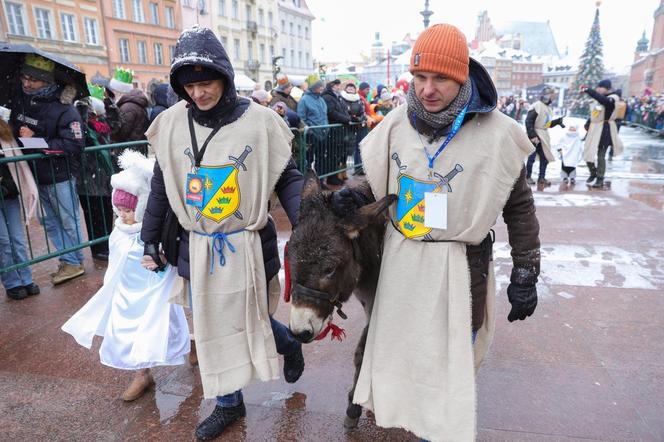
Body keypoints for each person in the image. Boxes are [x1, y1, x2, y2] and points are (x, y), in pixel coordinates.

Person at [330, 24, 540, 441]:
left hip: (461, 270)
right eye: (420, 77)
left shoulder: (497, 132)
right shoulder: (395, 125)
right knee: (409, 360)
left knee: (447, 371)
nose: (427, 89)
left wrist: (526, 270)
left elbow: (519, 207)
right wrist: (353, 197)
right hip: (404, 264)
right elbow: (377, 180)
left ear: (461, 77)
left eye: (440, 78)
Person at [140, 27, 306, 440]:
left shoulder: (260, 122)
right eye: (190, 85)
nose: (199, 93)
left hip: (245, 241)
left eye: (206, 82)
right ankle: (229, 403)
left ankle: (286, 343)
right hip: (196, 244)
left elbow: (287, 177)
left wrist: (307, 225)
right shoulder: (171, 124)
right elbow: (162, 184)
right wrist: (149, 237)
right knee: (212, 324)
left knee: (252, 318)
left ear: (225, 78)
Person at [62, 150, 190, 402]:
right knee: (131, 334)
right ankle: (142, 373)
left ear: (142, 206)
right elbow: (115, 260)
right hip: (127, 293)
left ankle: (189, 346)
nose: (122, 214)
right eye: (118, 209)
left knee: (162, 327)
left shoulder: (154, 230)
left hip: (154, 290)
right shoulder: (119, 230)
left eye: (128, 210)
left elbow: (166, 257)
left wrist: (161, 260)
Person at [11, 53, 87, 285]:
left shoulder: (66, 110)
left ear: (47, 81)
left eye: (33, 79)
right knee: (51, 222)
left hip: (59, 175)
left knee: (67, 219)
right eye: (25, 77)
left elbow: (74, 144)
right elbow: (19, 135)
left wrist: (34, 140)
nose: (27, 83)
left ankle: (75, 261)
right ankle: (67, 259)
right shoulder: (21, 102)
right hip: (36, 174)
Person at [0, 118, 39, 300]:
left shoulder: (6, 132)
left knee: (17, 239)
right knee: (3, 242)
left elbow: (17, 162)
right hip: (6, 191)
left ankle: (26, 278)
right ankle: (12, 282)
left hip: (8, 192)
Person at [75, 91, 115, 261]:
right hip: (88, 179)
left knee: (106, 213)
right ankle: (98, 248)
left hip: (104, 177)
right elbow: (83, 135)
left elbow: (117, 123)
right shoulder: (83, 125)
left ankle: (107, 243)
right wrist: (82, 111)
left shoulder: (101, 124)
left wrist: (110, 103)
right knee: (93, 215)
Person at [582, 79, 624, 188]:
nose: (599, 89)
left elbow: (604, 102)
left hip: (605, 129)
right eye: (598, 87)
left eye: (602, 87)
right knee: (587, 152)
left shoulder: (613, 98)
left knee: (601, 155)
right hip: (594, 128)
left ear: (607, 88)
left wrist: (589, 91)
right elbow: (595, 113)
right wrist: (588, 123)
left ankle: (600, 178)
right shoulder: (598, 99)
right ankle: (593, 173)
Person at [525, 87, 564, 185]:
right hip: (535, 134)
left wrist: (557, 122)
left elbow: (546, 124)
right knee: (531, 158)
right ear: (546, 96)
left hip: (543, 135)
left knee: (544, 157)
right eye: (551, 96)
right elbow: (529, 121)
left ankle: (541, 178)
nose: (553, 98)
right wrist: (532, 135)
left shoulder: (548, 108)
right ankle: (527, 177)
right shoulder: (537, 106)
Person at [322, 79, 351, 186]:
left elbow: (342, 110)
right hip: (332, 130)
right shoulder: (328, 97)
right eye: (337, 85)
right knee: (332, 155)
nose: (339, 87)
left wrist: (348, 117)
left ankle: (335, 176)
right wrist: (345, 119)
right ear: (332, 86)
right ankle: (331, 177)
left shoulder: (337, 97)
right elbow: (332, 112)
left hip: (339, 131)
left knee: (337, 155)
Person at [297, 80, 329, 179]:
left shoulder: (321, 100)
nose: (322, 88)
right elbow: (301, 117)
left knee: (321, 158)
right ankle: (307, 181)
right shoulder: (304, 100)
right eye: (321, 87)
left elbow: (324, 116)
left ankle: (321, 180)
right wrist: (309, 130)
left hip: (323, 134)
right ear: (315, 88)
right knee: (308, 159)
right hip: (311, 134)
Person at [341, 82, 368, 175]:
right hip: (344, 128)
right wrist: (350, 118)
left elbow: (362, 113)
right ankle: (341, 173)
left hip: (357, 127)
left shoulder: (358, 100)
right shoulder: (341, 99)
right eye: (349, 88)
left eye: (353, 88)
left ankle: (358, 168)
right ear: (346, 89)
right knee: (343, 150)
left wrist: (358, 119)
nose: (351, 89)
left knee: (356, 148)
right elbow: (342, 111)